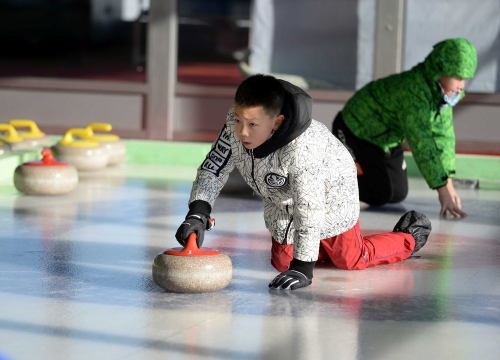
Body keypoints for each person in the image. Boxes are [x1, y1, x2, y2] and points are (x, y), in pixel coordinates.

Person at [175, 74, 431, 290]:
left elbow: (310, 207)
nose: (242, 131)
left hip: (332, 195)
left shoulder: (302, 150)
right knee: (282, 264)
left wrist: (303, 267)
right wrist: (198, 212)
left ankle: (408, 237)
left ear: (277, 122)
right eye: (238, 120)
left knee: (350, 259)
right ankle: (313, 246)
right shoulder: (238, 122)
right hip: (282, 199)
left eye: (252, 124)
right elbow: (214, 166)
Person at [332, 38, 477, 219]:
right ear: (440, 70)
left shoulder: (441, 95)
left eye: (465, 79)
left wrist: (448, 183)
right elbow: (422, 142)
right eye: (458, 77)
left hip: (387, 138)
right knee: (380, 193)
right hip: (355, 129)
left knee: (397, 193)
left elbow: (443, 138)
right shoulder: (413, 91)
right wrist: (442, 191)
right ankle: (329, 183)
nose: (461, 86)